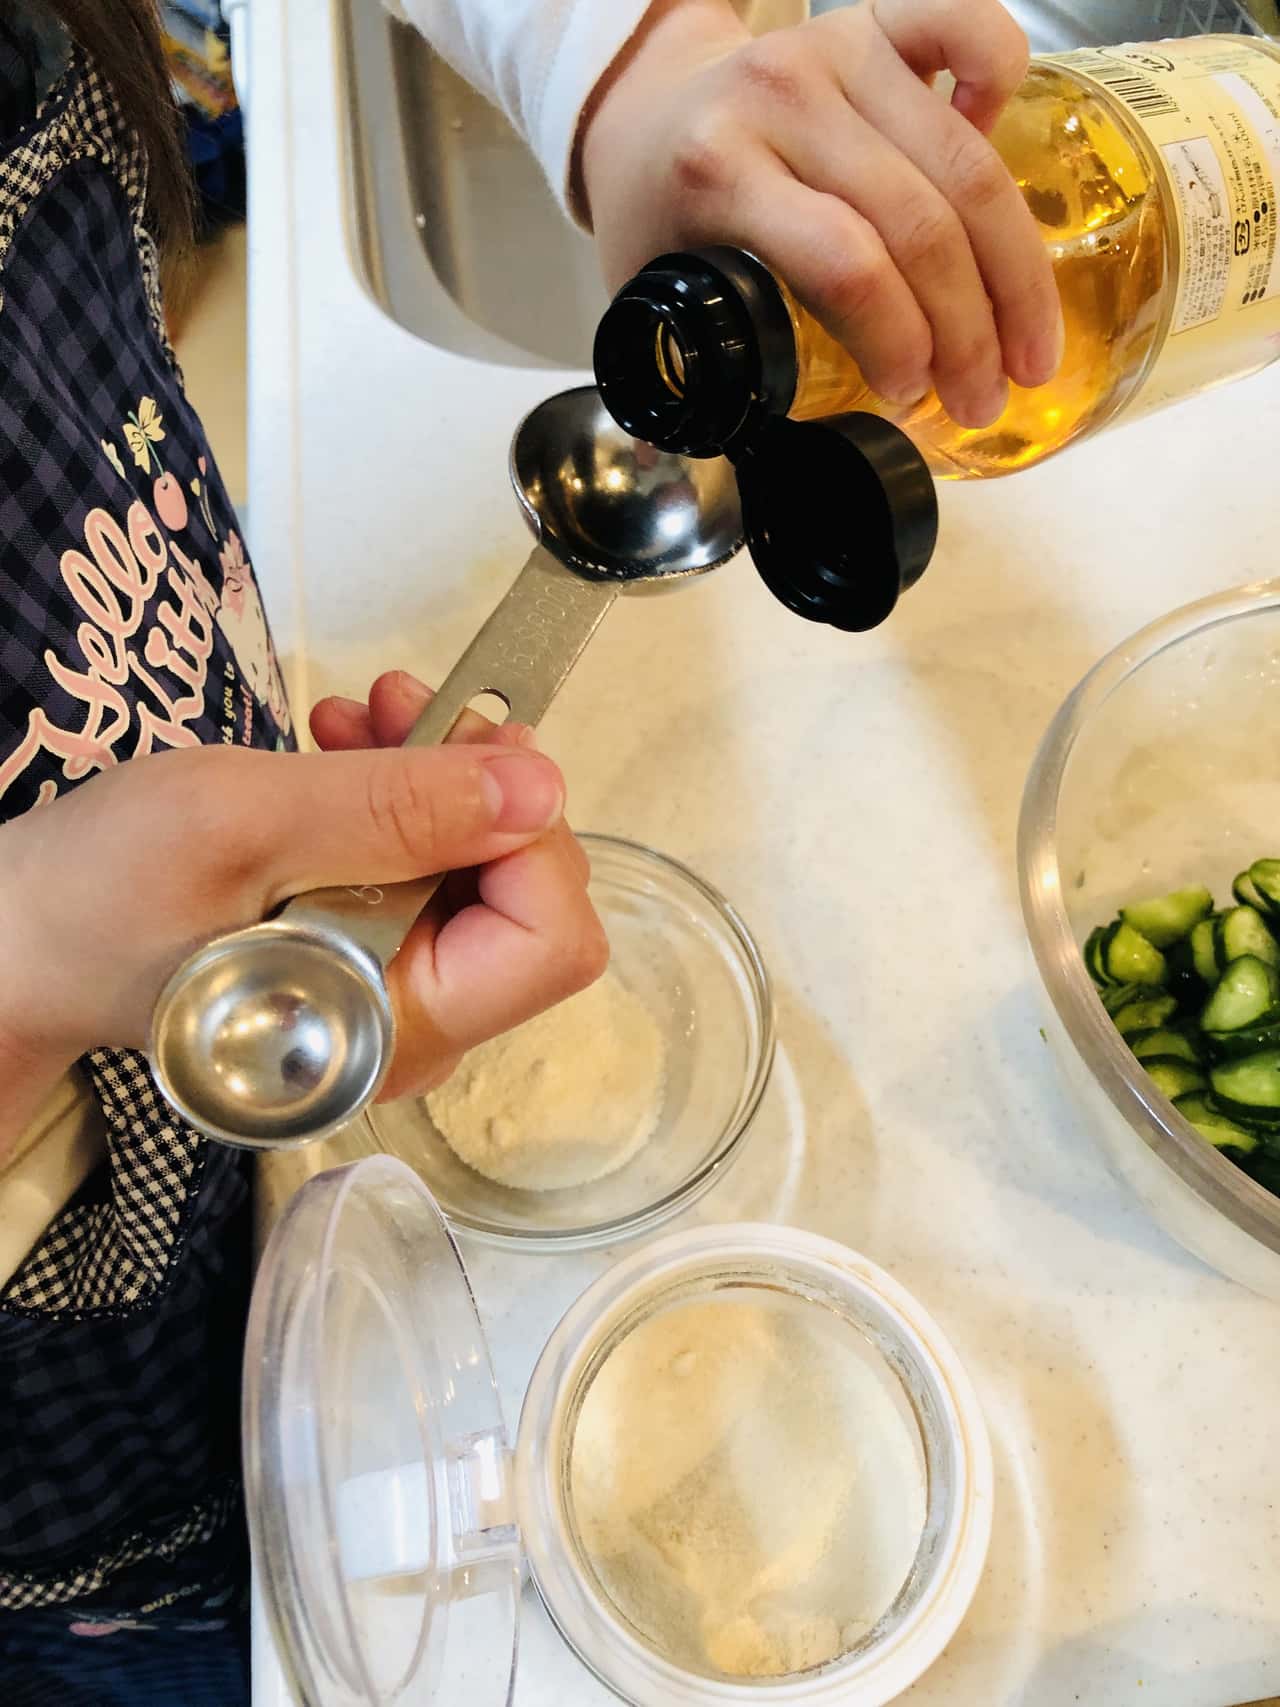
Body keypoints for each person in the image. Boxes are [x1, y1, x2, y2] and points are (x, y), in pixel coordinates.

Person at [0, 0, 1059, 1699]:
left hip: (206, 909)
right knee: (215, 1609)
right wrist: (26, 972)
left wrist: (621, 68)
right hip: (58, 1426)